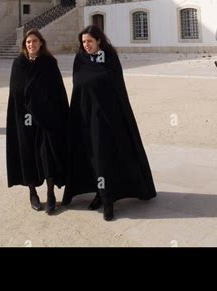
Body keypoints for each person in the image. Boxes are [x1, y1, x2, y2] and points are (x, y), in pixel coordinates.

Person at [62, 25, 156, 221]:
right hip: (85, 118)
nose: (86, 45)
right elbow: (78, 86)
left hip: (107, 118)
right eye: (83, 42)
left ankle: (108, 200)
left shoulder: (110, 60)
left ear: (99, 41)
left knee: (105, 157)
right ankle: (99, 192)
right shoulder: (80, 60)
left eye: (89, 41)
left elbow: (117, 90)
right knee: (91, 157)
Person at [6, 29, 69, 214]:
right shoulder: (18, 64)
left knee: (47, 155)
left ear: (41, 43)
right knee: (27, 156)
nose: (31, 45)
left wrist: (51, 113)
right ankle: (32, 192)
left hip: (46, 118)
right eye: (28, 42)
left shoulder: (49, 64)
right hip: (25, 118)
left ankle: (50, 193)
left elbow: (57, 92)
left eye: (34, 41)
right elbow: (15, 93)